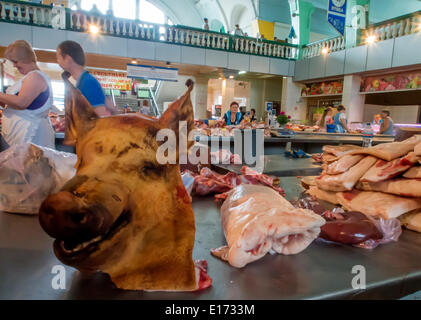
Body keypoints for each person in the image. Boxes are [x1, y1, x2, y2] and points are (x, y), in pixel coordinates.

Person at [0, 40, 54, 149]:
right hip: (19, 136)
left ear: (24, 58)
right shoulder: (30, 77)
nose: (14, 65)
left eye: (15, 61)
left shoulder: (35, 76)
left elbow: (22, 102)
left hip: (30, 136)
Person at [56, 40, 114, 117]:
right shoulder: (82, 81)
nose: (58, 61)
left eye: (58, 57)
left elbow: (100, 118)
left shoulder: (88, 82)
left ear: (68, 58)